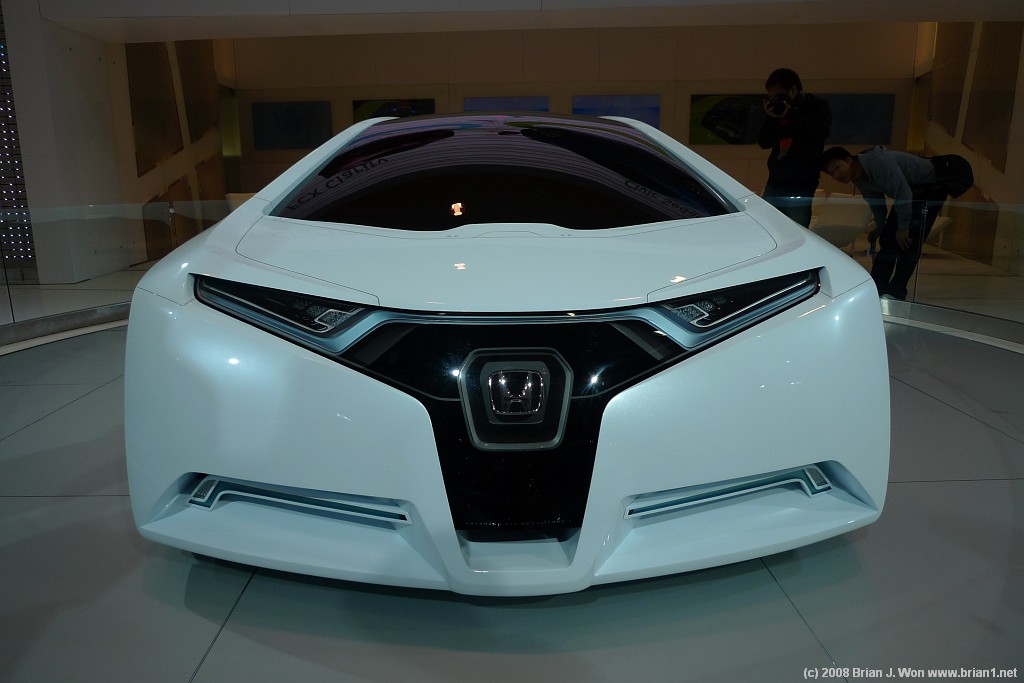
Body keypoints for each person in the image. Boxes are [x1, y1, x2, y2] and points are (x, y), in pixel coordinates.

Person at [821, 146, 949, 300]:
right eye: (831, 173)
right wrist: (881, 225)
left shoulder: (877, 162)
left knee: (909, 242)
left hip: (930, 188)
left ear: (848, 160)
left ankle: (896, 292)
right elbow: (875, 200)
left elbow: (903, 192)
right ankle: (878, 289)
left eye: (837, 168)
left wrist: (903, 227)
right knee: (888, 238)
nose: (836, 175)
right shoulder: (857, 176)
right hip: (910, 192)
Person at [758, 68, 831, 227]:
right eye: (772, 97)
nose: (776, 100)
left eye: (779, 96)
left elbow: (820, 132)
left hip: (801, 182)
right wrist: (771, 118)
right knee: (766, 228)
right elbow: (764, 142)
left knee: (797, 231)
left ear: (793, 90)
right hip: (775, 180)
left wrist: (791, 113)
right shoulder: (777, 112)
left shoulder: (816, 106)